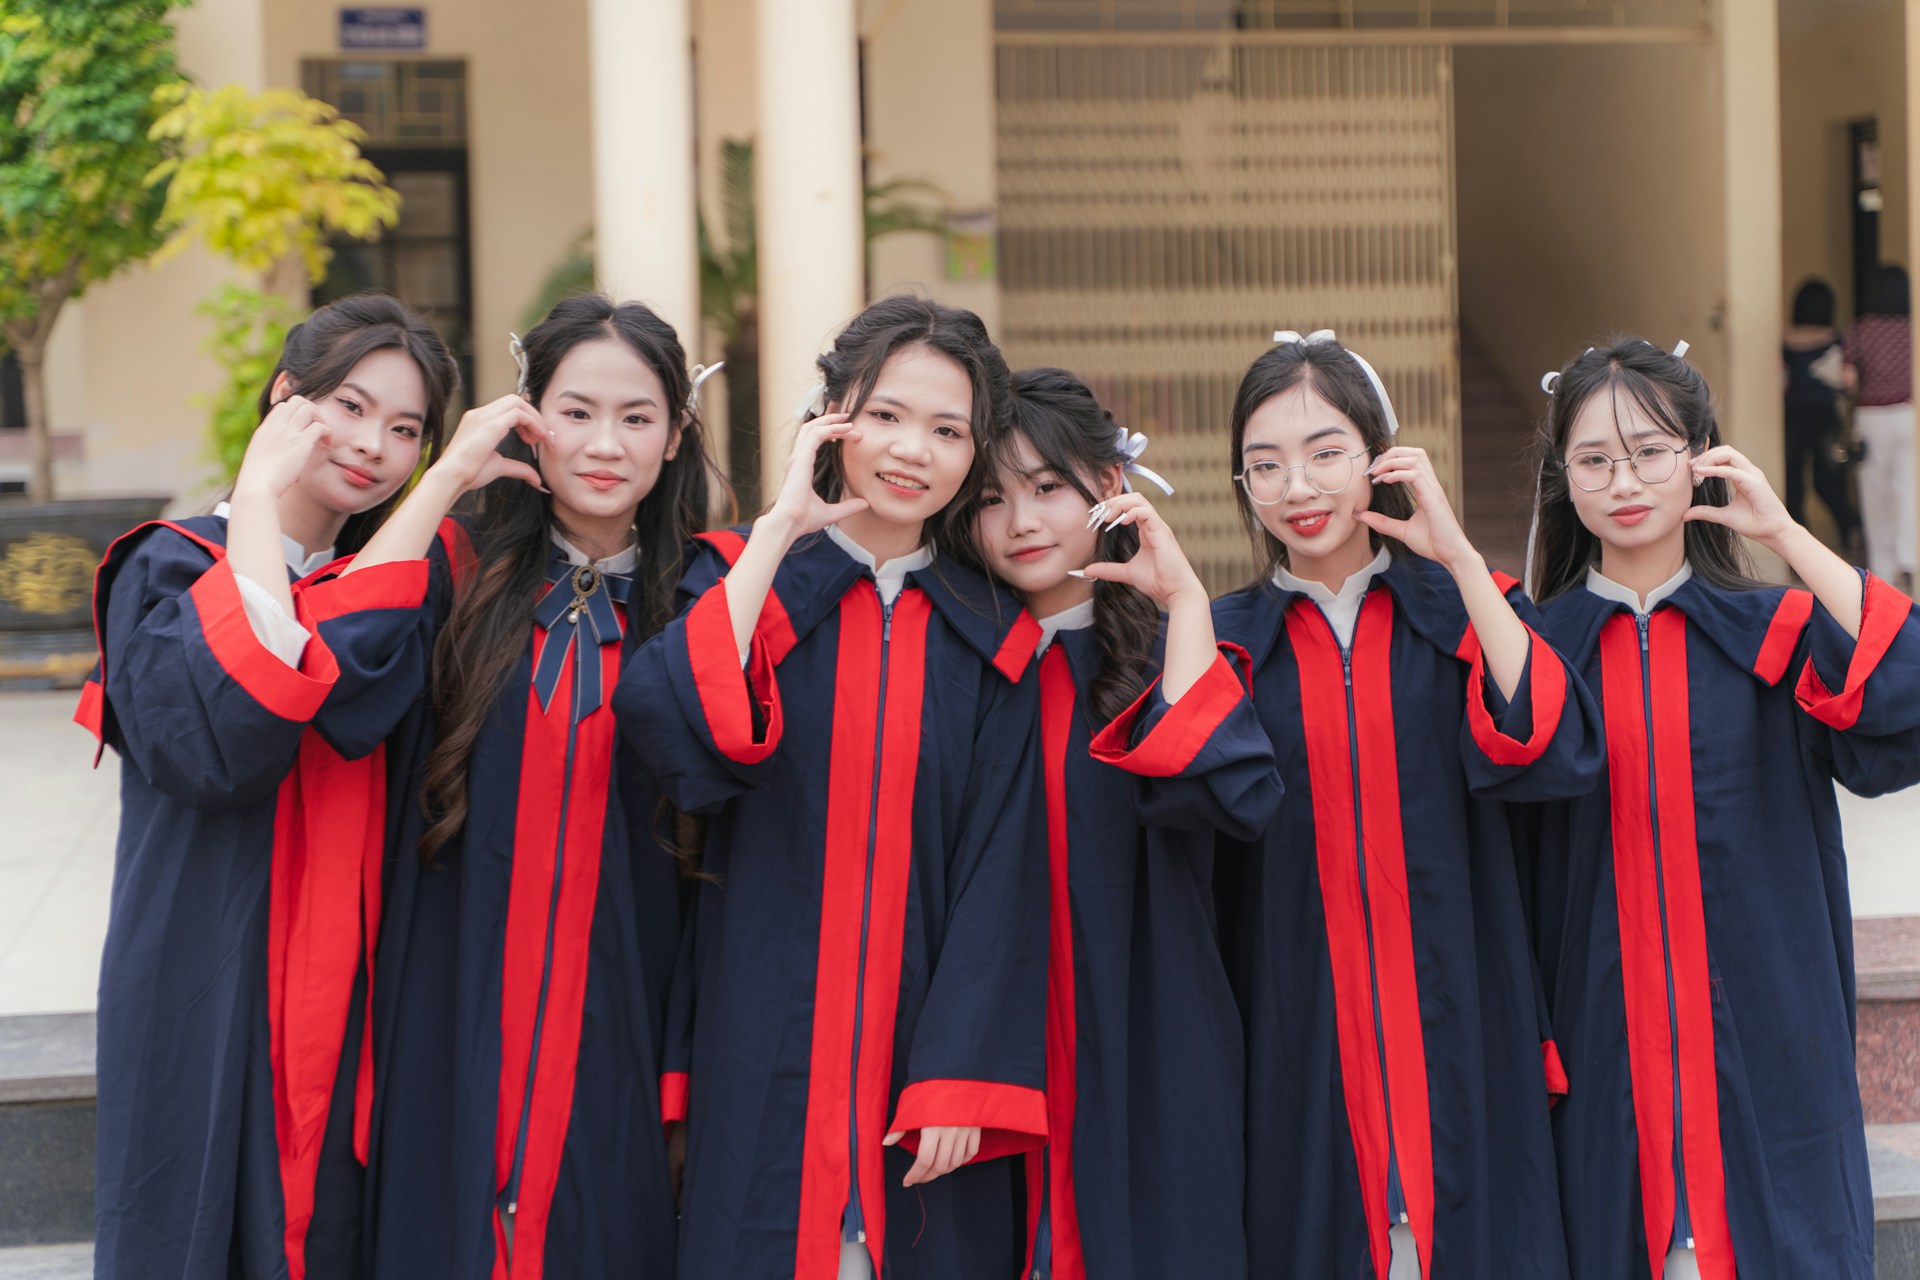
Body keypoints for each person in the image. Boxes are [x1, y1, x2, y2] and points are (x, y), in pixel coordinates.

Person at [616, 295, 1048, 1280]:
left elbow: (1003, 875)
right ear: (833, 414)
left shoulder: (993, 636)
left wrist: (961, 1071)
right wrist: (778, 534)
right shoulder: (742, 586)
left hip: (924, 1058)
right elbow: (676, 730)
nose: (912, 451)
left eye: (948, 430)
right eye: (886, 415)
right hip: (760, 1020)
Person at [77, 294, 460, 1280]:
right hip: (208, 957)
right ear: (286, 399)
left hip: (346, 979)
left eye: (408, 429)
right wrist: (253, 505)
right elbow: (220, 750)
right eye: (350, 404)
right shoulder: (163, 566)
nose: (375, 444)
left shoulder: (397, 593)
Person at [1525, 337, 1920, 1280]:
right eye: (1594, 458)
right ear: (1563, 478)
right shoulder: (1534, 660)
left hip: (1770, 1035)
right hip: (1599, 1041)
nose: (1624, 480)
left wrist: (1782, 532)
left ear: (1700, 455)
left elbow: (1904, 692)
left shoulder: (1772, 635)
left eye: (1652, 450)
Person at [1210, 329, 1601, 1280]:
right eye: (1265, 466)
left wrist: (1459, 556)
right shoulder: (1225, 643)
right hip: (1298, 1014)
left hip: (1462, 1000)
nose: (1296, 489)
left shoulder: (1464, 615)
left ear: (1382, 457)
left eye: (1324, 454)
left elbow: (1548, 745)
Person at [345, 295, 720, 1280]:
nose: (604, 444)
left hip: (624, 999)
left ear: (677, 433)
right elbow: (337, 669)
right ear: (527, 417)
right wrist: (446, 479)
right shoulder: (453, 574)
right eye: (576, 410)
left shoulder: (705, 602)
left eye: (638, 417)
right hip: (452, 981)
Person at [962, 368, 1282, 1280]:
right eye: (991, 497)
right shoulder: (962, 668)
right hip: (999, 1043)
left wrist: (1182, 601)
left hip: (1158, 1033)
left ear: (1109, 488)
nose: (1021, 520)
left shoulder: (1171, 655)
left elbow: (1230, 795)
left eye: (1047, 487)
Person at [1843, 263, 1917, 588]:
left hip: (1871, 416)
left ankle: (1882, 569)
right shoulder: (1912, 329)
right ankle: (1909, 558)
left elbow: (1848, 377)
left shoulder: (1860, 329)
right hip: (1906, 414)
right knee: (1907, 488)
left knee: (1875, 493)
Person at [1781, 278, 1859, 556]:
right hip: (1827, 420)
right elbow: (1847, 381)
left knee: (1792, 486)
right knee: (1830, 484)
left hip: (1791, 419)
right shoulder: (1837, 339)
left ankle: (1799, 553)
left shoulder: (1784, 339)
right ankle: (1852, 533)